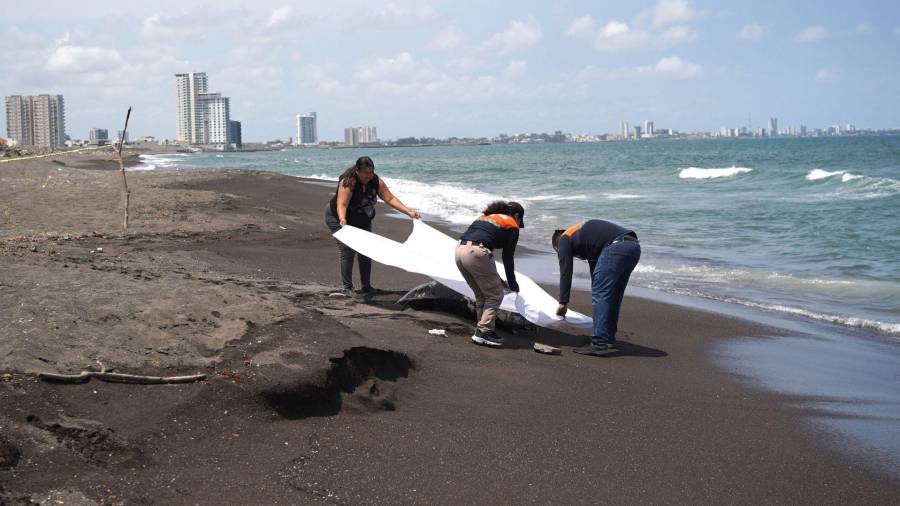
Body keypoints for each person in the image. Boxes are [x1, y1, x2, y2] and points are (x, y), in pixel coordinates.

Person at [324, 156, 420, 294]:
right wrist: (342, 219)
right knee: (347, 250)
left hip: (362, 219)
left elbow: (390, 198)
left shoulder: (376, 181)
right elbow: (342, 204)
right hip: (337, 217)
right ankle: (348, 288)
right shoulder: (348, 182)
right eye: (366, 172)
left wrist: (409, 212)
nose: (369, 176)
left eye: (371, 172)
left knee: (365, 250)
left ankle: (366, 286)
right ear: (357, 171)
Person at [552, 220, 641, 356]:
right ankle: (607, 338)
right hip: (632, 247)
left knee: (601, 295)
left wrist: (563, 302)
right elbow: (596, 274)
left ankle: (599, 343)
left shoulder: (564, 238)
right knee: (613, 296)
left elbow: (566, 271)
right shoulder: (587, 239)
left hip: (616, 248)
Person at [455, 201, 525, 348]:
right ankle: (484, 332)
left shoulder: (485, 217)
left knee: (481, 294)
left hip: (459, 250)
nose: (519, 224)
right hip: (477, 252)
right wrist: (512, 283)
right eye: (520, 221)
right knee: (495, 295)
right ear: (516, 216)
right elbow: (507, 257)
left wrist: (499, 278)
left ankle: (482, 330)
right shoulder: (512, 223)